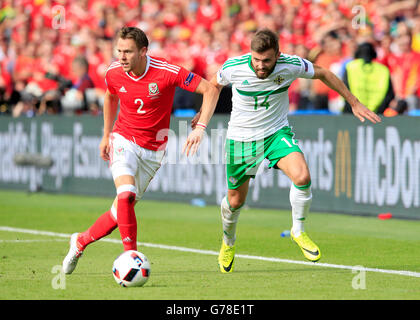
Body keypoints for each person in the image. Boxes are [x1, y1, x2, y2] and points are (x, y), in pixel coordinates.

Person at [185, 28, 381, 273]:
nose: (260, 66)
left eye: (266, 60)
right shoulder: (234, 67)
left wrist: (354, 102)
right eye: (256, 60)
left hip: (276, 134)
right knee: (235, 201)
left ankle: (298, 231)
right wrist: (202, 120)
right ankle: (228, 243)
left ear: (277, 55)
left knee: (303, 176)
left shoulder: (290, 64)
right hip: (242, 139)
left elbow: (323, 73)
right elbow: (213, 86)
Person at [62, 27, 219, 274]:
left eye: (128, 52)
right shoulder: (114, 72)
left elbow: (210, 90)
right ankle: (130, 259)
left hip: (153, 151)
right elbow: (110, 97)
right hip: (123, 139)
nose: (122, 57)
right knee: (125, 194)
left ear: (143, 51)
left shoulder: (166, 72)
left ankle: (80, 241)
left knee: (119, 212)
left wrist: (200, 127)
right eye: (119, 51)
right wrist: (106, 134)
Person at [342, 42, 395, 114]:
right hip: (377, 113)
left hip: (353, 112)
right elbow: (390, 94)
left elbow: (343, 89)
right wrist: (379, 110)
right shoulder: (383, 69)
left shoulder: (350, 67)